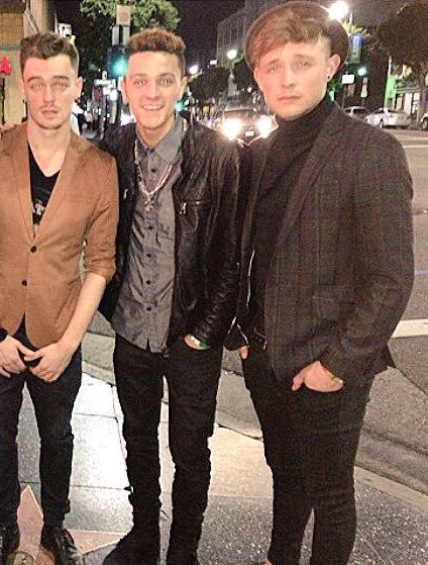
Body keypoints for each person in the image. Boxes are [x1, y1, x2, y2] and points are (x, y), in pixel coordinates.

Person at [226, 3, 414, 565]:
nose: (286, 78)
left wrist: (335, 365)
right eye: (272, 66)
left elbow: (390, 279)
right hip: (264, 357)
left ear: (331, 65)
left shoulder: (370, 151)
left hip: (326, 365)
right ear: (257, 74)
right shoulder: (259, 153)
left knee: (331, 494)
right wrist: (241, 333)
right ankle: (279, 557)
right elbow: (251, 253)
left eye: (301, 63)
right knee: (285, 473)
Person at [0, 32, 118, 565]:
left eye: (59, 83)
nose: (48, 96)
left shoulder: (99, 167)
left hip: (57, 332)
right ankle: (5, 523)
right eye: (36, 84)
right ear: (22, 86)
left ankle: (55, 524)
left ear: (77, 86)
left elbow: (100, 264)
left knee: (58, 436)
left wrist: (69, 345)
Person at [96, 29, 240, 565]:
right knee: (137, 438)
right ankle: (144, 534)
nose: (151, 92)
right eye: (140, 81)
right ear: (125, 87)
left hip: (190, 335)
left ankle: (183, 548)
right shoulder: (111, 150)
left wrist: (205, 334)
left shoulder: (217, 154)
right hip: (132, 329)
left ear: (181, 84)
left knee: (191, 450)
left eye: (164, 80)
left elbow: (232, 253)